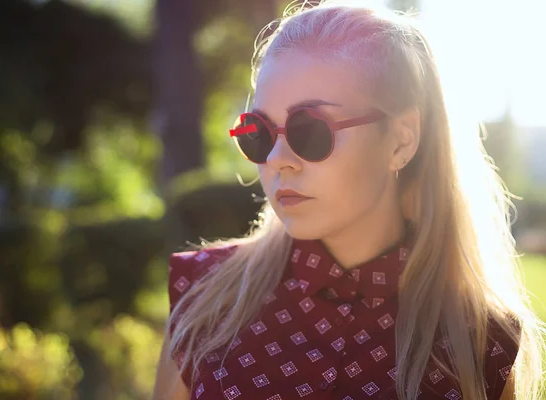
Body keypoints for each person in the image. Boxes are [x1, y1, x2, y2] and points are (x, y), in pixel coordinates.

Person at [153, 1, 545, 399]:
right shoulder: (203, 296)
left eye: (310, 130)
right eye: (260, 131)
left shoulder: (478, 341)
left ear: (401, 140)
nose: (276, 161)